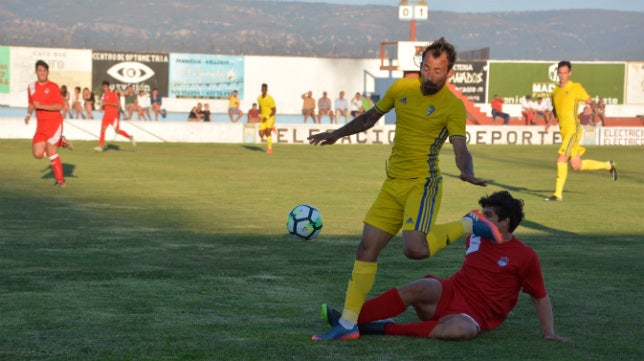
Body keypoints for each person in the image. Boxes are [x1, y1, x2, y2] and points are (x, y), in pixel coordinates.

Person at [308, 38, 492, 341]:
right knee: (367, 247)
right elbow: (370, 117)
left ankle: (469, 223)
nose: (431, 75)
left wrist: (466, 171)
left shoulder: (452, 106)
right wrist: (337, 133)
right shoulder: (400, 89)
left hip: (423, 184)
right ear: (419, 66)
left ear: (449, 73)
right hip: (393, 183)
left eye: (438, 70)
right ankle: (348, 325)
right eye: (427, 68)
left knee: (415, 249)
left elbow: (460, 146)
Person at [319, 191, 572, 343]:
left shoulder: (525, 256)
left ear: (506, 222)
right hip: (451, 292)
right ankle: (347, 320)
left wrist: (549, 333)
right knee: (420, 286)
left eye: (489, 216)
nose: (481, 220)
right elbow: (437, 236)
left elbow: (540, 296)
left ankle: (376, 327)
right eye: (481, 214)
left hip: (474, 316)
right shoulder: (474, 235)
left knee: (457, 332)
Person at [545, 60, 617, 201]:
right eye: (560, 72)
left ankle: (557, 194)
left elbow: (590, 101)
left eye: (565, 73)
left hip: (573, 130)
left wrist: (597, 110)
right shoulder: (554, 92)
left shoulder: (576, 88)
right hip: (564, 131)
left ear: (570, 73)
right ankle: (608, 165)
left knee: (561, 158)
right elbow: (555, 110)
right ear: (557, 73)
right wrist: (549, 124)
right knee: (576, 165)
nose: (562, 75)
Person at [24, 60, 69, 187]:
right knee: (37, 154)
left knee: (51, 151)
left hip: (54, 125)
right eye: (40, 70)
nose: (42, 73)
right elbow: (31, 103)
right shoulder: (31, 87)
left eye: (44, 71)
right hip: (41, 127)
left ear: (48, 72)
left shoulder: (53, 86)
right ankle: (60, 142)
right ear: (36, 72)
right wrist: (28, 115)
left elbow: (60, 106)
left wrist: (43, 106)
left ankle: (61, 181)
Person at [94, 80, 135, 152]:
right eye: (104, 87)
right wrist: (101, 107)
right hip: (106, 115)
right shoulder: (104, 95)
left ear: (108, 87)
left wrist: (107, 103)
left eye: (106, 87)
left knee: (117, 131)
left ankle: (130, 137)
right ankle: (101, 146)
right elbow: (103, 103)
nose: (105, 88)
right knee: (102, 130)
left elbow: (117, 104)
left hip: (113, 115)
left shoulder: (112, 94)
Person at [257, 83, 276, 154]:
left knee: (267, 132)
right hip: (263, 117)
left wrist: (267, 117)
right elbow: (260, 107)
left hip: (270, 117)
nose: (263, 90)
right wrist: (259, 116)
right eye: (262, 89)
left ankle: (269, 149)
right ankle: (272, 128)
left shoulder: (270, 98)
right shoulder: (259, 98)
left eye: (265, 89)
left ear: (267, 90)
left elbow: (274, 111)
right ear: (261, 89)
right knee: (261, 134)